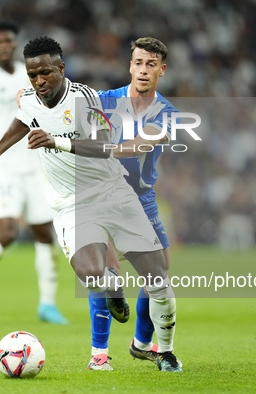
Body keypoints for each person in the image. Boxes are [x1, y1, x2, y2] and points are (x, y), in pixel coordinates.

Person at [0, 36, 181, 372]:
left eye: (45, 74)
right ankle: (108, 317)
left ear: (61, 69)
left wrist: (57, 141)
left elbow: (105, 144)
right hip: (70, 203)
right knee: (92, 274)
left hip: (117, 193)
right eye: (32, 75)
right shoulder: (31, 97)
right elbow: (24, 118)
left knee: (159, 279)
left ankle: (162, 351)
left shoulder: (87, 100)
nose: (39, 81)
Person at [0, 22, 67, 325]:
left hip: (36, 167)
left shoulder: (32, 72)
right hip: (2, 168)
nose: (4, 46)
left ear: (15, 43)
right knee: (6, 233)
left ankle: (47, 304)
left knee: (45, 233)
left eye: (9, 41)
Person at [86, 37, 180, 371]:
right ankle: (99, 353)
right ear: (130, 65)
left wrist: (102, 148)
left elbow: (142, 144)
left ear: (161, 70)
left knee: (159, 273)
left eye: (151, 64)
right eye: (138, 62)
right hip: (102, 196)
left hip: (142, 199)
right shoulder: (102, 100)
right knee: (106, 272)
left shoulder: (168, 113)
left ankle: (142, 345)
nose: (143, 70)